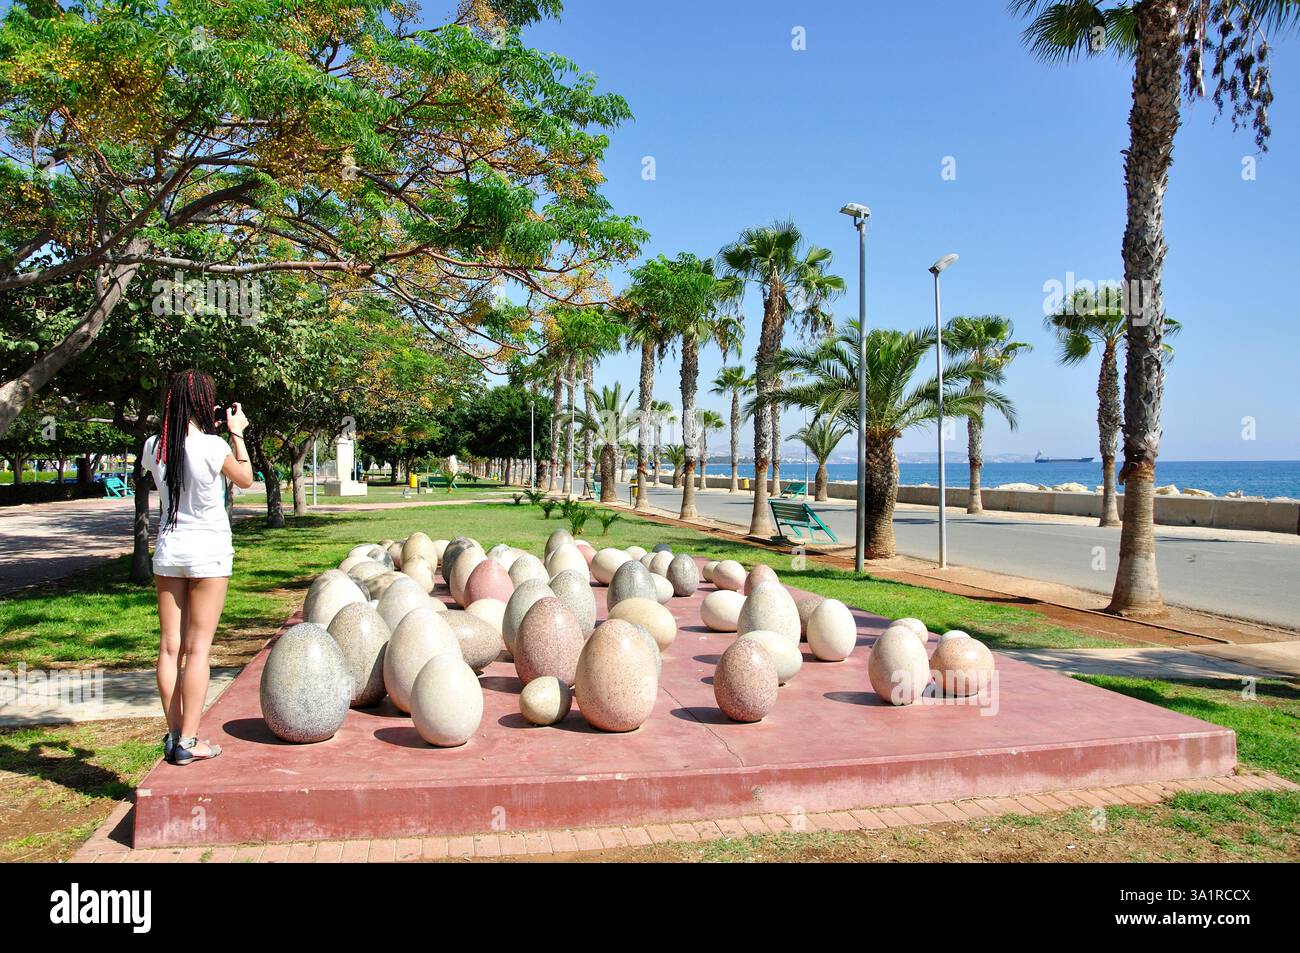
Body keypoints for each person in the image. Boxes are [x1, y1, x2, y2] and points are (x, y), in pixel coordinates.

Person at [142, 370, 254, 765]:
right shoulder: (214, 444)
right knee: (198, 649)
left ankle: (174, 736)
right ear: (206, 403)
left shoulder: (154, 445)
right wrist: (236, 431)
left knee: (170, 647)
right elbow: (246, 479)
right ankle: (190, 741)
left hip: (170, 551)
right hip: (208, 553)